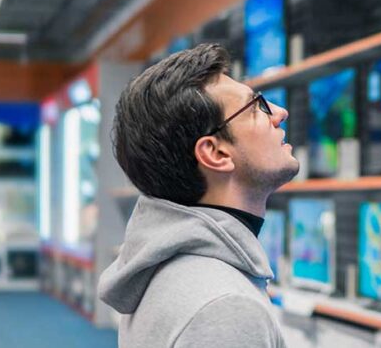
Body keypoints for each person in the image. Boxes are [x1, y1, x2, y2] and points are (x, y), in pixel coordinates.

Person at [99, 44, 297, 348]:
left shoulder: (171, 270)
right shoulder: (225, 308)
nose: (279, 113)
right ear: (215, 153)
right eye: (256, 106)